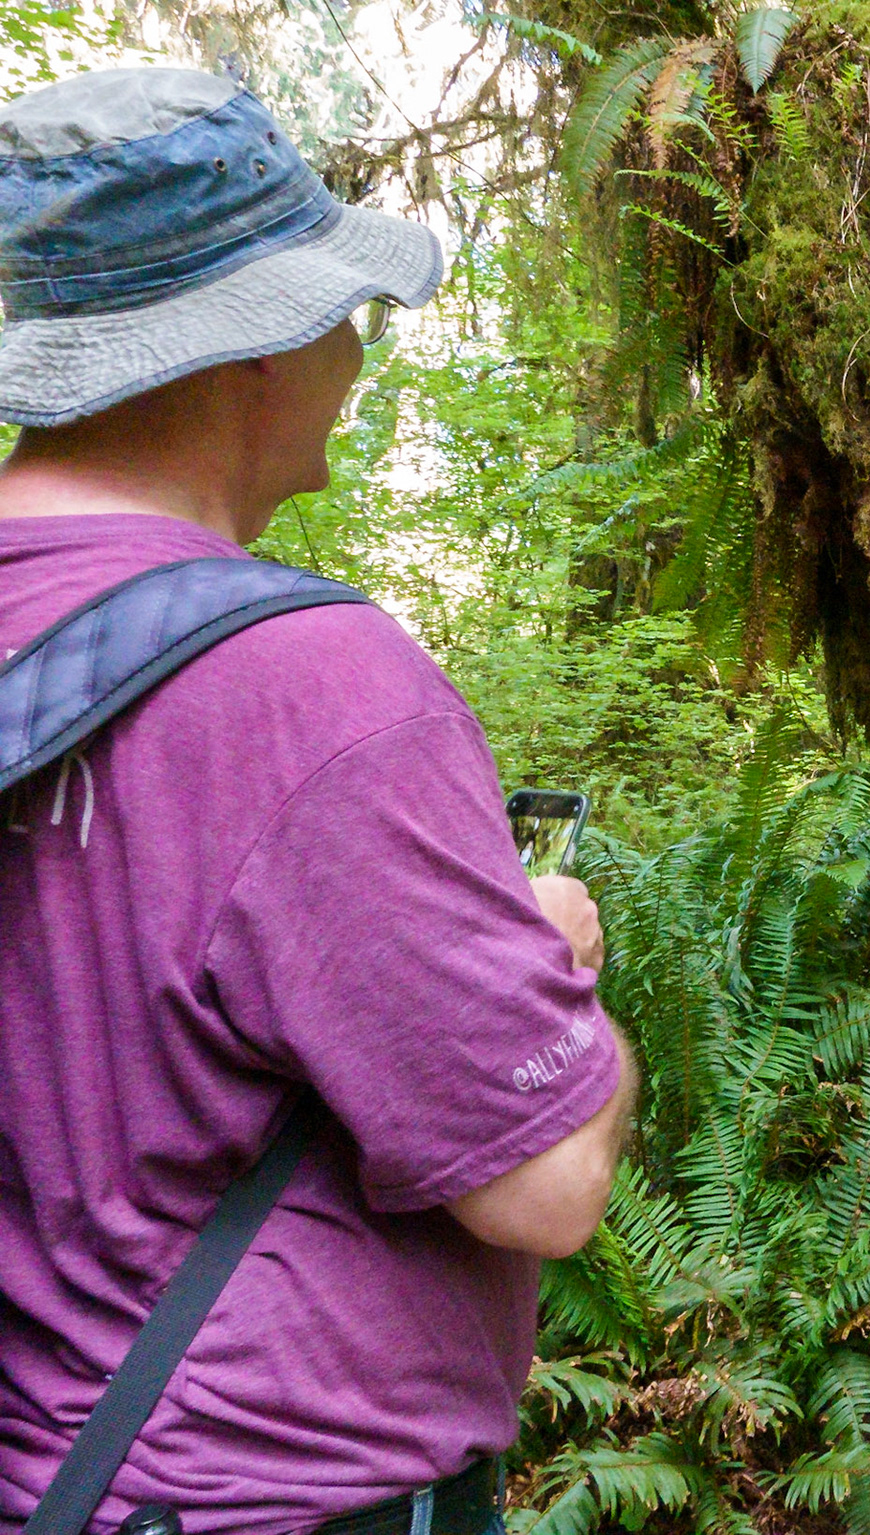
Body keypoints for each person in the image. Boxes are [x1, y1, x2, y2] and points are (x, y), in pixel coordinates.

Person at [0, 68, 638, 1535]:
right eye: (340, 314)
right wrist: (555, 963)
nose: (355, 354)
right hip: (267, 1491)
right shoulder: (312, 684)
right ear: (253, 350)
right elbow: (548, 1182)